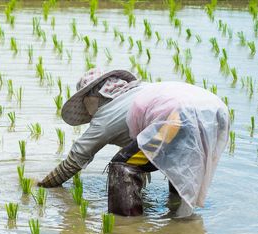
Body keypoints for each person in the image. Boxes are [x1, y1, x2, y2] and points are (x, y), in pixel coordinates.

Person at [37, 68, 229, 217]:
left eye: (85, 101)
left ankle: (128, 225)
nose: (86, 110)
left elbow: (74, 161)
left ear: (93, 98)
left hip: (177, 117)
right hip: (214, 110)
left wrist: (44, 184)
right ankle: (178, 218)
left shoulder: (107, 115)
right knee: (176, 162)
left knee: (122, 165)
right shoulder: (138, 91)